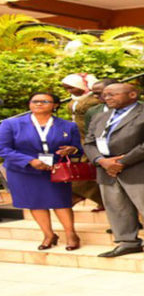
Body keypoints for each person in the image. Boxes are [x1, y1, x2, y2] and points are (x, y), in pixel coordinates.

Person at [84, 84, 144, 260]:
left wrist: (121, 162)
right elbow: (89, 143)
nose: (107, 98)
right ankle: (127, 242)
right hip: (106, 170)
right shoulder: (100, 116)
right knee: (116, 208)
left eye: (112, 94)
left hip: (138, 168)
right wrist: (102, 161)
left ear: (132, 94)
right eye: (105, 95)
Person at [0, 92, 83, 251]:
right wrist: (30, 161)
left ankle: (71, 234)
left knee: (61, 201)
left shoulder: (68, 126)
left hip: (55, 170)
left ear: (55, 105)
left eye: (44, 101)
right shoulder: (11, 124)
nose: (38, 104)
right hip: (23, 170)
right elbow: (3, 149)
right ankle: (48, 234)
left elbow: (78, 150)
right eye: (34, 101)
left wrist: (72, 150)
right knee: (35, 202)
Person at [62, 73, 105, 212]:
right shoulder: (75, 99)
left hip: (92, 136)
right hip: (79, 138)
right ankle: (99, 199)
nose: (69, 91)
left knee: (85, 172)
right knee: (82, 171)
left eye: (71, 88)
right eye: (66, 88)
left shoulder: (94, 99)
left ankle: (95, 198)